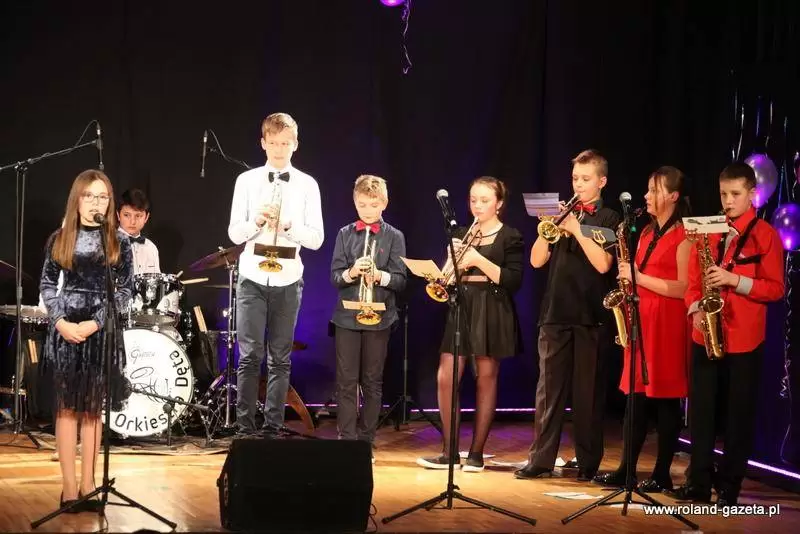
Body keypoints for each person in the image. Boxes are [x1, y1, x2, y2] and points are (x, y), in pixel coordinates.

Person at [671, 162, 784, 505]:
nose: (728, 201)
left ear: (753, 194)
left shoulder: (766, 234)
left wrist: (734, 280)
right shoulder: (708, 229)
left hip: (744, 338)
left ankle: (729, 486)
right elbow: (693, 282)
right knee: (701, 414)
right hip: (706, 334)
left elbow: (775, 289)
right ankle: (698, 482)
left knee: (738, 416)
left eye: (735, 194)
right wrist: (695, 309)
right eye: (723, 194)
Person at [516, 149, 621, 481]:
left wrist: (576, 229)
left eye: (585, 179)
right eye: (575, 178)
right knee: (548, 392)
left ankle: (588, 462)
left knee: (588, 393)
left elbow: (604, 264)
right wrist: (546, 230)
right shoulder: (562, 215)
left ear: (602, 182)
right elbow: (536, 261)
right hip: (555, 314)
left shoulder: (610, 218)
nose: (578, 185)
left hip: (592, 315)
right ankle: (541, 459)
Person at [593, 166, 692, 492]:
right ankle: (627, 469)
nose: (647, 196)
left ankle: (662, 473)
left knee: (665, 400)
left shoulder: (684, 234)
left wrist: (639, 278)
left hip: (668, 323)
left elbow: (682, 287)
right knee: (634, 399)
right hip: (642, 321)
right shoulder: (647, 232)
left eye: (654, 190)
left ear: (673, 196)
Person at [39, 169, 133, 511]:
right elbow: (48, 284)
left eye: (103, 196)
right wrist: (61, 322)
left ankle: (89, 484)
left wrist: (96, 323)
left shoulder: (119, 241)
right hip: (66, 328)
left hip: (99, 330)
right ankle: (68, 489)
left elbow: (125, 291)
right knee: (67, 410)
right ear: (77, 199)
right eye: (90, 195)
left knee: (92, 410)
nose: (96, 202)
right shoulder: (60, 237)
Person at [417, 177, 524, 473]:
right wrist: (445, 269)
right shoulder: (462, 234)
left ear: (499, 203)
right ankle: (449, 451)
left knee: (485, 378)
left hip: (492, 306)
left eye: (485, 200)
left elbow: (513, 280)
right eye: (473, 200)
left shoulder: (510, 236)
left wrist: (477, 259)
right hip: (462, 305)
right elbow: (449, 277)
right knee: (446, 376)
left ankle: (476, 453)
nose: (477, 205)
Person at [228, 112, 324, 435]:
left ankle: (272, 427)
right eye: (273, 143)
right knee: (249, 356)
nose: (279, 149)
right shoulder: (246, 181)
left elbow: (317, 239)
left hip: (288, 277)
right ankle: (244, 428)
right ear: (263, 143)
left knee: (280, 358)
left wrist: (288, 227)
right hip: (252, 276)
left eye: (285, 143)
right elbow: (234, 233)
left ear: (295, 145)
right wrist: (256, 222)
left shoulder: (308, 185)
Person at [330, 175, 406, 460]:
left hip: (380, 316)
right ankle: (346, 440)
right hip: (347, 317)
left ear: (384, 203)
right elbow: (335, 277)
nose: (368, 211)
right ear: (354, 202)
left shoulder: (394, 236)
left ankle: (365, 441)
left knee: (372, 381)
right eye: (362, 205)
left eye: (373, 205)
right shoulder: (344, 233)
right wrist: (351, 273)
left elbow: (401, 280)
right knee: (346, 381)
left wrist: (379, 276)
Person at [117, 188, 160, 274]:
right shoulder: (108, 245)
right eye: (127, 215)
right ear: (118, 215)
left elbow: (156, 280)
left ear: (146, 217)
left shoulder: (151, 248)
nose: (132, 221)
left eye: (138, 216)